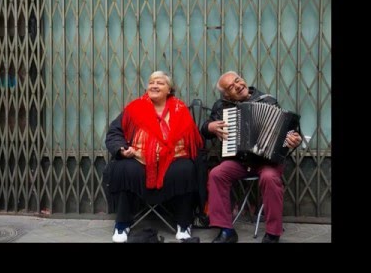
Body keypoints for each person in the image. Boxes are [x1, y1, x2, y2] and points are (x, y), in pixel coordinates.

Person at [201, 71, 302, 243]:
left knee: (270, 177)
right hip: (239, 161)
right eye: (231, 87)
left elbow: (289, 132)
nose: (238, 86)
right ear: (226, 94)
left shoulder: (268, 101)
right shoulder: (221, 106)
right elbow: (205, 130)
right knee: (216, 174)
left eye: (238, 81)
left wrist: (294, 139)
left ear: (243, 79)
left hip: (267, 161)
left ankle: (272, 233)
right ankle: (226, 230)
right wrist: (209, 127)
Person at [104, 70, 203, 243]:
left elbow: (192, 140)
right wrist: (121, 149)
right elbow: (114, 133)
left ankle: (184, 223)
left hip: (173, 161)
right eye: (151, 82)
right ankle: (122, 223)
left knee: (187, 168)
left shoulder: (180, 110)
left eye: (160, 83)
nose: (154, 86)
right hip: (140, 161)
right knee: (123, 168)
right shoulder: (134, 108)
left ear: (169, 89)